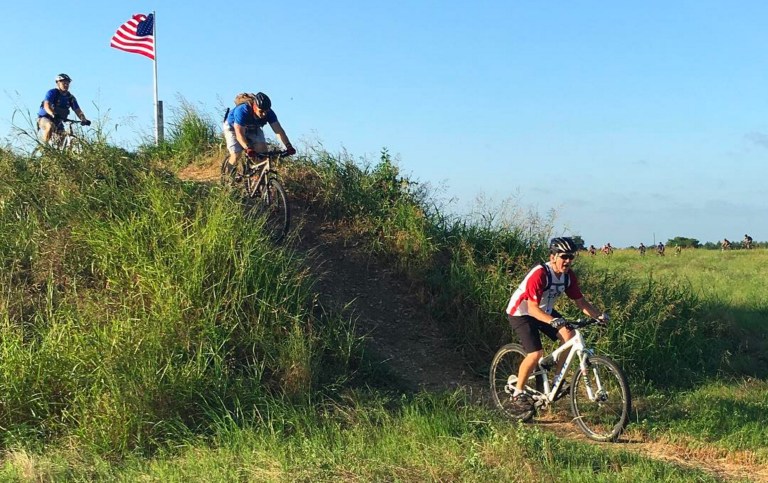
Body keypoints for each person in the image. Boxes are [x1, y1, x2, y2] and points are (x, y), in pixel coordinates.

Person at [504, 237, 609, 412]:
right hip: (522, 312)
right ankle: (517, 392)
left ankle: (557, 381)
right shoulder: (540, 274)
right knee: (536, 353)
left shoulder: (568, 277)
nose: (568, 261)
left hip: (544, 310)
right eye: (564, 256)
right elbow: (532, 308)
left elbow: (581, 303)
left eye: (571, 257)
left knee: (570, 335)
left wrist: (598, 316)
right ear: (553, 257)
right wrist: (552, 320)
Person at [221, 92, 296, 179]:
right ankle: (227, 180)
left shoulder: (269, 113)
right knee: (236, 154)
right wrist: (247, 148)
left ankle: (258, 182)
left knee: (263, 154)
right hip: (233, 127)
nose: (264, 114)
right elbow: (239, 134)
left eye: (266, 111)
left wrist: (288, 146)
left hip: (253, 127)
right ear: (254, 106)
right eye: (261, 111)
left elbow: (279, 131)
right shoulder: (242, 110)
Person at [37, 73, 91, 143]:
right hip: (45, 118)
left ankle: (61, 153)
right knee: (49, 126)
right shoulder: (52, 93)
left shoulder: (70, 98)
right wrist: (53, 114)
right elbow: (46, 106)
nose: (66, 85)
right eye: (64, 83)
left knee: (64, 139)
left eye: (67, 83)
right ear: (57, 83)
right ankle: (45, 148)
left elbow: (78, 110)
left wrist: (84, 119)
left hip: (58, 121)